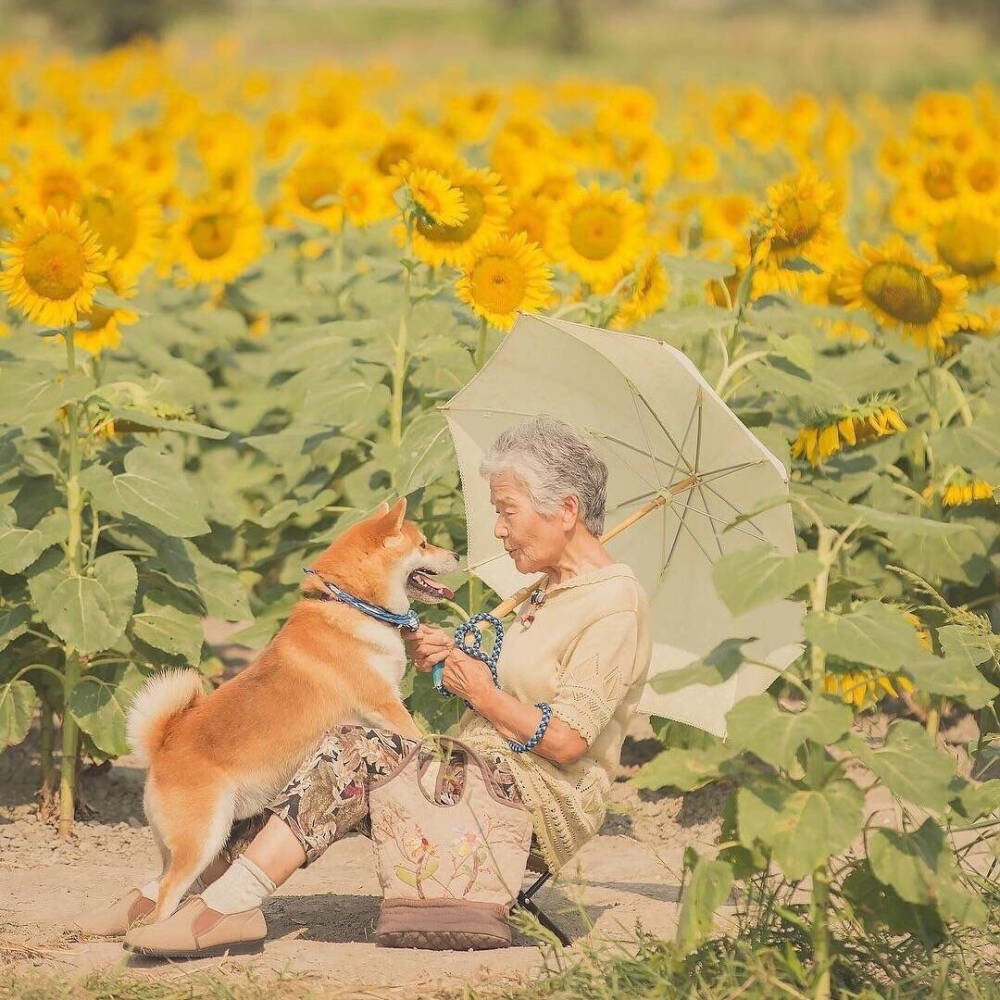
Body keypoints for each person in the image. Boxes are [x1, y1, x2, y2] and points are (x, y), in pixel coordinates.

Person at [75, 415, 652, 958]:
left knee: (358, 743)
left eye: (508, 511)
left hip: (532, 806)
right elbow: (514, 686)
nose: (498, 530)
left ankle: (231, 906)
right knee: (281, 756)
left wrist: (482, 693)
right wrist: (455, 657)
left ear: (567, 510)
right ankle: (162, 893)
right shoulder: (543, 590)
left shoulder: (612, 604)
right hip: (475, 774)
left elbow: (569, 743)